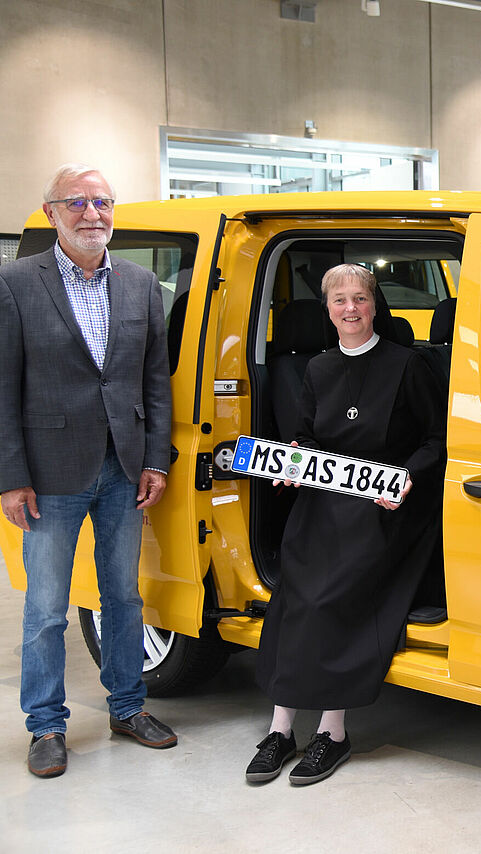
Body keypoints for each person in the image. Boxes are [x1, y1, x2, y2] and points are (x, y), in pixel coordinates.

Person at [0, 164, 176, 778]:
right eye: (76, 202)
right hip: (47, 474)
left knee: (123, 598)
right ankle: (46, 726)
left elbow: (154, 381)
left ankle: (129, 709)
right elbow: (2, 388)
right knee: (47, 606)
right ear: (50, 212)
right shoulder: (16, 283)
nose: (91, 213)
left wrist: (156, 459)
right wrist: (10, 476)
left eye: (101, 202)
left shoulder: (140, 284)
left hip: (123, 467)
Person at [248, 263, 445, 786]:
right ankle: (281, 729)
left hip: (386, 507)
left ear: (375, 305)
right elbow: (310, 437)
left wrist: (407, 477)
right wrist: (294, 460)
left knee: (330, 594)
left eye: (360, 298)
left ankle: (332, 733)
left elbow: (435, 441)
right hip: (324, 500)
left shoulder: (408, 365)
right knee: (294, 591)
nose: (351, 309)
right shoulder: (318, 369)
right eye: (340, 301)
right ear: (328, 310)